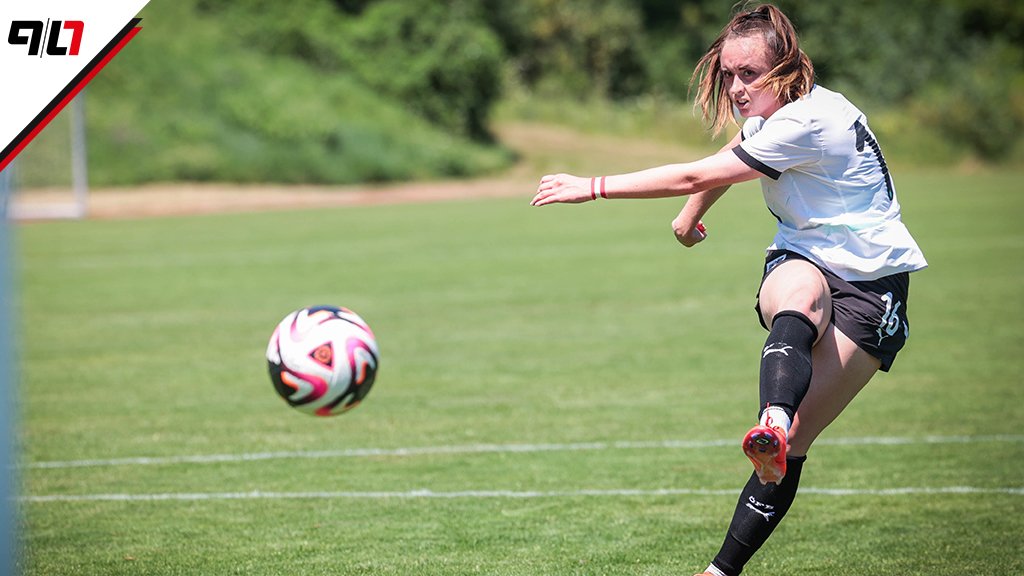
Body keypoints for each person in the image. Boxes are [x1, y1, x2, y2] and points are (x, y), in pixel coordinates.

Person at [530, 4, 927, 575]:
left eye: (749, 74)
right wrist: (690, 216)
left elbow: (698, 171)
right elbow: (728, 158)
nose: (737, 87)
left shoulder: (808, 121)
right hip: (809, 253)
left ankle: (724, 566)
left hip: (873, 284)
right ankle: (771, 417)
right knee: (795, 295)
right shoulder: (778, 111)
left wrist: (591, 186)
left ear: (784, 68)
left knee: (791, 451)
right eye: (727, 73)